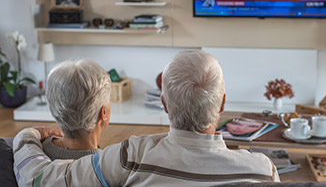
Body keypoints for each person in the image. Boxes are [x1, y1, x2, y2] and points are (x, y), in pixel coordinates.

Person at [13, 50, 279, 187]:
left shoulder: (130, 156)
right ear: (222, 103)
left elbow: (42, 180)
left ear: (164, 104)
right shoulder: (263, 171)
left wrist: (26, 137)